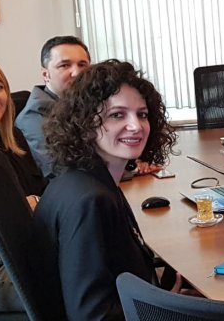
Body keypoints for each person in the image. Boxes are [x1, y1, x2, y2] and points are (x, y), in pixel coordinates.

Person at [33, 60, 178, 320]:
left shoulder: (84, 179)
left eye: (142, 114)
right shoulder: (89, 200)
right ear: (84, 123)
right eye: (117, 115)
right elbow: (91, 315)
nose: (136, 126)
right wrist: (163, 310)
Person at [0, 57, 47, 312]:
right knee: (86, 276)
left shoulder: (11, 140)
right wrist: (22, 209)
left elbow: (41, 192)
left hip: (31, 251)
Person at [16, 36, 91, 177]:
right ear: (46, 75)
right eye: (65, 65)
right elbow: (59, 171)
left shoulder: (89, 104)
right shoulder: (33, 117)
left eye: (82, 65)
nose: (77, 73)